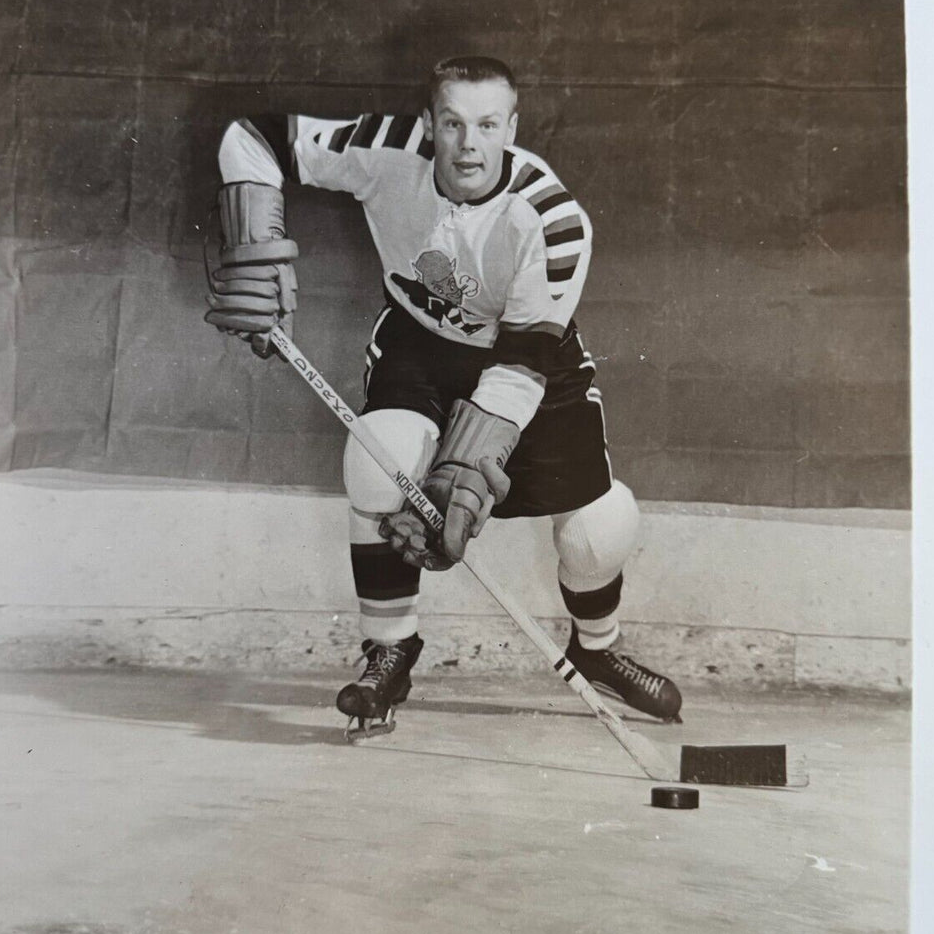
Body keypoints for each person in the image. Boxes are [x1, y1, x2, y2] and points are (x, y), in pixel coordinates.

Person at [207, 56, 682, 734]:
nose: (468, 143)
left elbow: (521, 362)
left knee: (603, 527)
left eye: (487, 125)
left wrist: (465, 473)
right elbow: (249, 136)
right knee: (376, 463)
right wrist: (256, 236)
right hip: (420, 345)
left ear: (510, 128)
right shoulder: (386, 151)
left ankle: (598, 652)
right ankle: (390, 650)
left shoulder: (552, 220)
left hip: (527, 362)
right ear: (431, 123)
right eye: (453, 123)